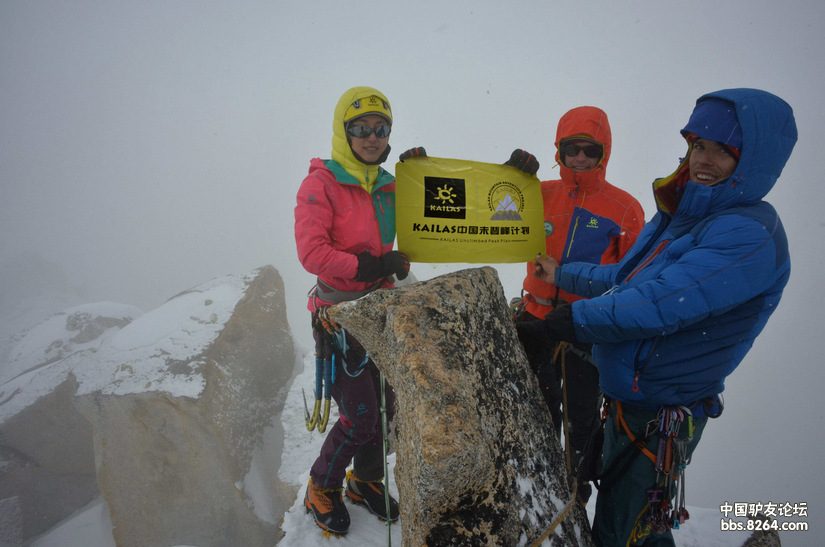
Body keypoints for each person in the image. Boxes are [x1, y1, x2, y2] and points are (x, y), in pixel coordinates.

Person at [518, 88, 796, 546]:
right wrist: (563, 273)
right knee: (639, 521)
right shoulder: (683, 213)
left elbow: (660, 302)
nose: (703, 160)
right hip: (638, 400)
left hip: (660, 410)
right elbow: (628, 278)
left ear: (754, 159)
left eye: (723, 151)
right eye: (697, 145)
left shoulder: (748, 234)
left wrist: (566, 323)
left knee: (619, 528)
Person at [294, 86, 412, 536]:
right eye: (360, 129)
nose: (371, 138)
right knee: (362, 413)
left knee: (386, 405)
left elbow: (443, 203)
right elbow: (312, 252)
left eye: (381, 130)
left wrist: (421, 169)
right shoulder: (321, 183)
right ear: (344, 132)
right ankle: (321, 485)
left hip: (379, 309)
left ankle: (365, 481)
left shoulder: (390, 185)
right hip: (339, 315)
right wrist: (368, 266)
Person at [513, 106, 645, 504]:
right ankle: (531, 481)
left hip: (585, 326)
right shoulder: (538, 193)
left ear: (604, 152)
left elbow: (633, 276)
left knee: (581, 415)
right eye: (572, 148)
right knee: (535, 406)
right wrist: (510, 177)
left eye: (590, 149)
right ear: (559, 150)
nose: (581, 158)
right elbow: (490, 213)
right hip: (535, 316)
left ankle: (575, 490)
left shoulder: (624, 208)